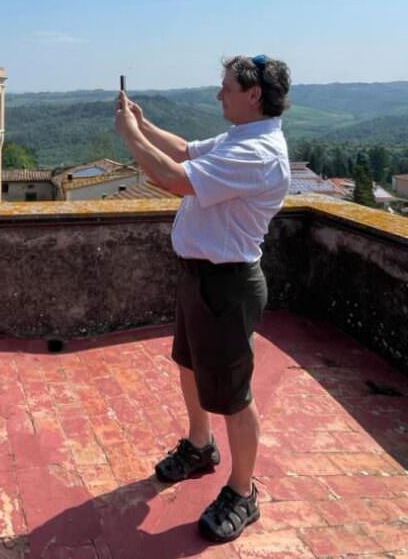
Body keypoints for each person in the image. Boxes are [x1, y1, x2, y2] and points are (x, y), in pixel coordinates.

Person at [114, 55, 291, 543]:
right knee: (190, 365)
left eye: (226, 87)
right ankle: (200, 447)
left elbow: (173, 179)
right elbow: (187, 152)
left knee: (234, 395)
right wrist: (146, 126)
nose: (219, 95)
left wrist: (129, 136)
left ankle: (243, 491)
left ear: (253, 95)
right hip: (200, 277)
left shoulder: (258, 153)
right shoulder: (241, 137)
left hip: (227, 284)